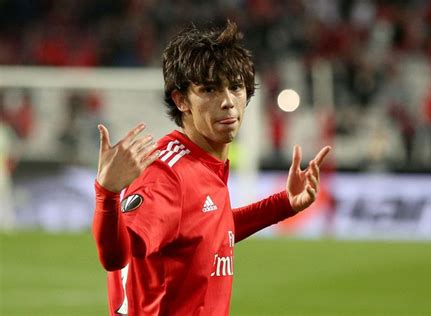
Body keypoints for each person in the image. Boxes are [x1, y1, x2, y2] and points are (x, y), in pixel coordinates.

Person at [93, 20, 331, 316]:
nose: (228, 102)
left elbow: (205, 231)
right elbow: (118, 255)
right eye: (209, 90)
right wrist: (107, 195)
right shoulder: (168, 176)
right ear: (181, 100)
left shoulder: (201, 163)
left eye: (235, 87)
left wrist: (282, 204)